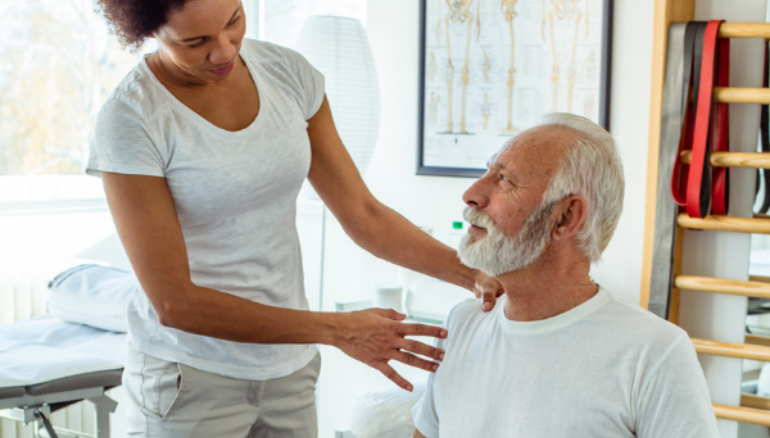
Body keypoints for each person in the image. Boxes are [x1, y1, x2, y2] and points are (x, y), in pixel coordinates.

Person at [87, 0, 502, 436]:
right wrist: (337, 330)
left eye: (233, 23)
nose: (225, 51)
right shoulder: (131, 119)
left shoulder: (287, 72)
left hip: (290, 369)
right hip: (190, 375)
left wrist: (470, 273)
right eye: (197, 42)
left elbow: (363, 213)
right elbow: (175, 303)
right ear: (149, 32)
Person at [411, 113, 720, 438]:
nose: (472, 193)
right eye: (486, 172)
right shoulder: (462, 325)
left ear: (565, 218)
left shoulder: (653, 353)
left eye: (504, 180)